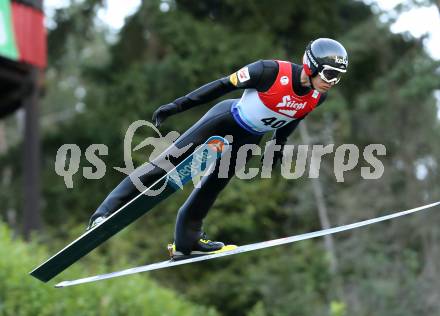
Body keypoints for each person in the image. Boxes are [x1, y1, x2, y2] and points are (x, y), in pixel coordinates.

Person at [88, 38, 349, 260]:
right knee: (165, 165)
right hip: (224, 121)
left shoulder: (318, 96)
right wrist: (177, 106)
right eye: (329, 74)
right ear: (310, 66)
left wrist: (277, 147)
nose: (332, 82)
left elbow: (294, 118)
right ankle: (103, 214)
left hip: (249, 138)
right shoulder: (268, 71)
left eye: (337, 77)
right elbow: (221, 86)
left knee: (213, 186)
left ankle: (187, 242)